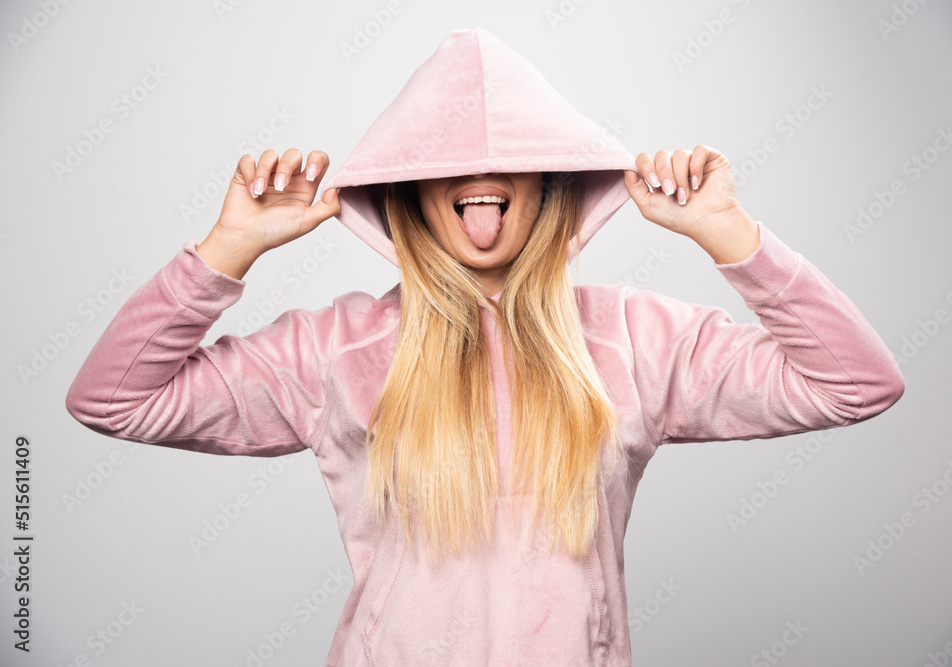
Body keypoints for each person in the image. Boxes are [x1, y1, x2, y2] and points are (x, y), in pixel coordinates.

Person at [65, 27, 905, 666]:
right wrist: (226, 251)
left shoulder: (637, 339)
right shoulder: (336, 348)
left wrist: (733, 236)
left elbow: (857, 383)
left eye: (510, 155)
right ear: (406, 188)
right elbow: (112, 399)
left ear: (551, 178)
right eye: (448, 159)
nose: (480, 171)